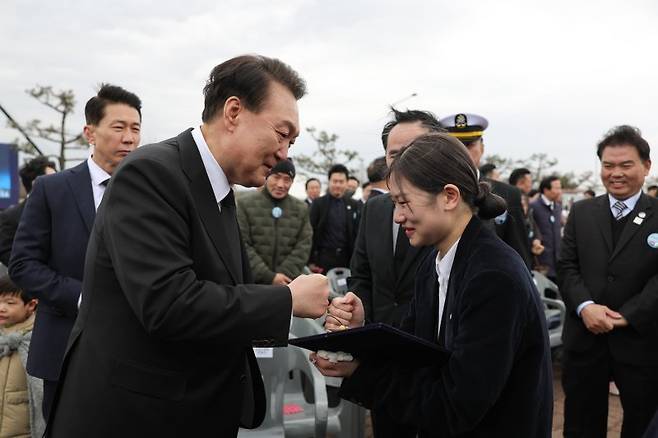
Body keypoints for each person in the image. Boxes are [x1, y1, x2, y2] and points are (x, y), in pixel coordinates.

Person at [47, 55, 329, 438]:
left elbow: (228, 297)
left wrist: (319, 321)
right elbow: (168, 304)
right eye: (282, 134)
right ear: (233, 112)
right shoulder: (152, 173)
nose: (285, 154)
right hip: (135, 416)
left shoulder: (222, 193)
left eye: (292, 142)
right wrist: (287, 302)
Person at [314, 133, 553, 437]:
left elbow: (456, 405)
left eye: (403, 202)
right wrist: (358, 336)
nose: (398, 216)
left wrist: (361, 373)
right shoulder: (436, 262)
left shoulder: (493, 277)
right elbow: (417, 349)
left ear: (449, 196)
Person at [8, 84, 142, 420]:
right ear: (89, 132)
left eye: (135, 128)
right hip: (65, 345)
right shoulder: (52, 190)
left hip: (135, 353)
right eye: (119, 127)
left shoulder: (148, 191)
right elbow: (23, 263)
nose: (129, 138)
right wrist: (82, 296)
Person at [558, 125, 658, 438]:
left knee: (642, 422)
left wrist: (629, 315)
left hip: (641, 342)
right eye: (608, 165)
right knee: (581, 424)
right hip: (586, 339)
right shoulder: (582, 211)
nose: (616, 173)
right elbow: (567, 266)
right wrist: (586, 306)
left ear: (646, 166)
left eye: (626, 165)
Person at [348, 108, 441, 438]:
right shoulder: (374, 209)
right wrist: (363, 322)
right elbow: (361, 273)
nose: (402, 162)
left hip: (436, 357)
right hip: (383, 353)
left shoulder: (455, 213)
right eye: (394, 154)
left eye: (413, 151)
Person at [439, 113, 532, 268]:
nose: (463, 151)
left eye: (469, 145)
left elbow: (518, 250)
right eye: (457, 145)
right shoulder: (433, 190)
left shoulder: (508, 193)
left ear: (482, 147)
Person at [237, 159, 312, 285]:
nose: (280, 184)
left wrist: (283, 275)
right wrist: (268, 276)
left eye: (287, 179)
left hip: (286, 284)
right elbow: (241, 243)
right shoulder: (245, 204)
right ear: (267, 177)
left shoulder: (301, 208)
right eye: (276, 177)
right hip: (252, 283)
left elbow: (304, 245)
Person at [0, 275, 43, 438]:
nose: (1, 308)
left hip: (24, 430)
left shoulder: (36, 339)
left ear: (31, 305)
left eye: (10, 303)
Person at [0, 157, 57, 266]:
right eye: (53, 179)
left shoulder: (65, 211)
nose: (59, 182)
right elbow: (7, 254)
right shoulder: (9, 217)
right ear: (36, 183)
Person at [309, 164, 360, 273]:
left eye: (341, 182)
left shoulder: (354, 205)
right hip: (323, 259)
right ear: (329, 182)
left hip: (347, 259)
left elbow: (357, 234)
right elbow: (310, 232)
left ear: (346, 183)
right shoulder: (318, 203)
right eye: (334, 181)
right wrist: (311, 261)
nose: (337, 185)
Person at [531, 175, 562, 281]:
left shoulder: (558, 207)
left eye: (560, 188)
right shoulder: (534, 206)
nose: (560, 191)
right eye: (557, 188)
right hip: (541, 263)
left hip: (558, 263)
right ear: (546, 190)